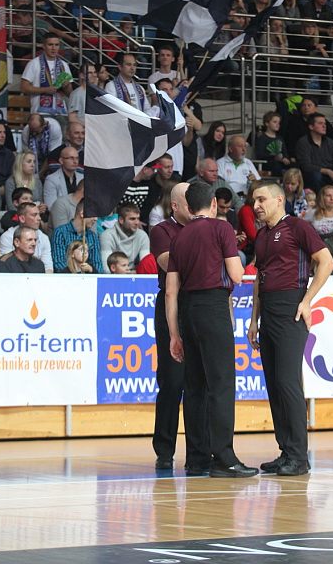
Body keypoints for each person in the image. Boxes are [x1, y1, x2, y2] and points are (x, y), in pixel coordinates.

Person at [166, 181, 257, 478]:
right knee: (221, 385)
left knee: (195, 387)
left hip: (188, 310)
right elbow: (236, 275)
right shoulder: (221, 228)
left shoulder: (179, 237)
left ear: (189, 207)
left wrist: (174, 334)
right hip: (213, 307)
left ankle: (197, 459)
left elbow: (171, 291)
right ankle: (224, 459)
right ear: (215, 203)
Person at [247, 182, 333, 475]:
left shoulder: (297, 227)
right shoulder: (262, 235)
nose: (256, 206)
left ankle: (299, 457)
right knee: (274, 384)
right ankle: (286, 452)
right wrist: (254, 319)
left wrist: (307, 301)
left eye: (261, 199)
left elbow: (326, 262)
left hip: (291, 307)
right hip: (268, 309)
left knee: (288, 382)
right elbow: (259, 278)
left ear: (279, 199)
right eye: (254, 200)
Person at [149, 182, 194, 470]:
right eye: (189, 203)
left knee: (199, 383)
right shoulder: (162, 230)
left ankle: (200, 451)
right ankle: (164, 450)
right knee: (172, 380)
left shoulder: (205, 228)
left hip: (199, 303)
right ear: (175, 206)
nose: (195, 208)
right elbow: (169, 264)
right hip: (171, 304)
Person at [20, 34, 73, 120]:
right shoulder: (33, 64)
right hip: (40, 113)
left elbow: (69, 93)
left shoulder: (64, 65)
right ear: (43, 46)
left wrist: (67, 86)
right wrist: (45, 90)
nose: (54, 48)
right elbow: (23, 88)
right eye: (50, 44)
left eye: (56, 45)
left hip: (61, 112)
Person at [294, 113, 333, 193]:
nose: (324, 126)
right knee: (316, 176)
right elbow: (306, 166)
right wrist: (327, 171)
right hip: (312, 176)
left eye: (324, 123)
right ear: (311, 127)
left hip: (330, 176)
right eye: (320, 123)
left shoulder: (330, 142)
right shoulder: (303, 142)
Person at [0, 202, 53, 273]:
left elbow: (48, 266)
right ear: (22, 218)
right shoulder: (7, 237)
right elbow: (7, 264)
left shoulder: (44, 237)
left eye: (39, 215)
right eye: (34, 215)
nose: (39, 218)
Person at [51, 199, 102, 273]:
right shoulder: (60, 233)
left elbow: (97, 265)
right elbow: (59, 263)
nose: (96, 219)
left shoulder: (93, 236)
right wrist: (76, 276)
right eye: (93, 215)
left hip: (88, 278)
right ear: (82, 214)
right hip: (67, 278)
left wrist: (90, 270)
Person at [100, 203, 150, 272]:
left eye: (138, 219)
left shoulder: (143, 236)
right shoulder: (107, 235)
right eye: (132, 219)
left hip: (133, 275)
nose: (137, 222)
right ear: (121, 220)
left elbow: (146, 267)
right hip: (113, 277)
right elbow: (106, 269)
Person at [255, 111, 290, 177]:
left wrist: (285, 158)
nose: (277, 124)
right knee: (276, 166)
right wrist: (273, 157)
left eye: (278, 122)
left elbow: (284, 152)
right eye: (274, 122)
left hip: (280, 162)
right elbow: (260, 155)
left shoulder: (280, 138)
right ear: (267, 123)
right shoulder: (262, 138)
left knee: (294, 166)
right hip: (268, 163)